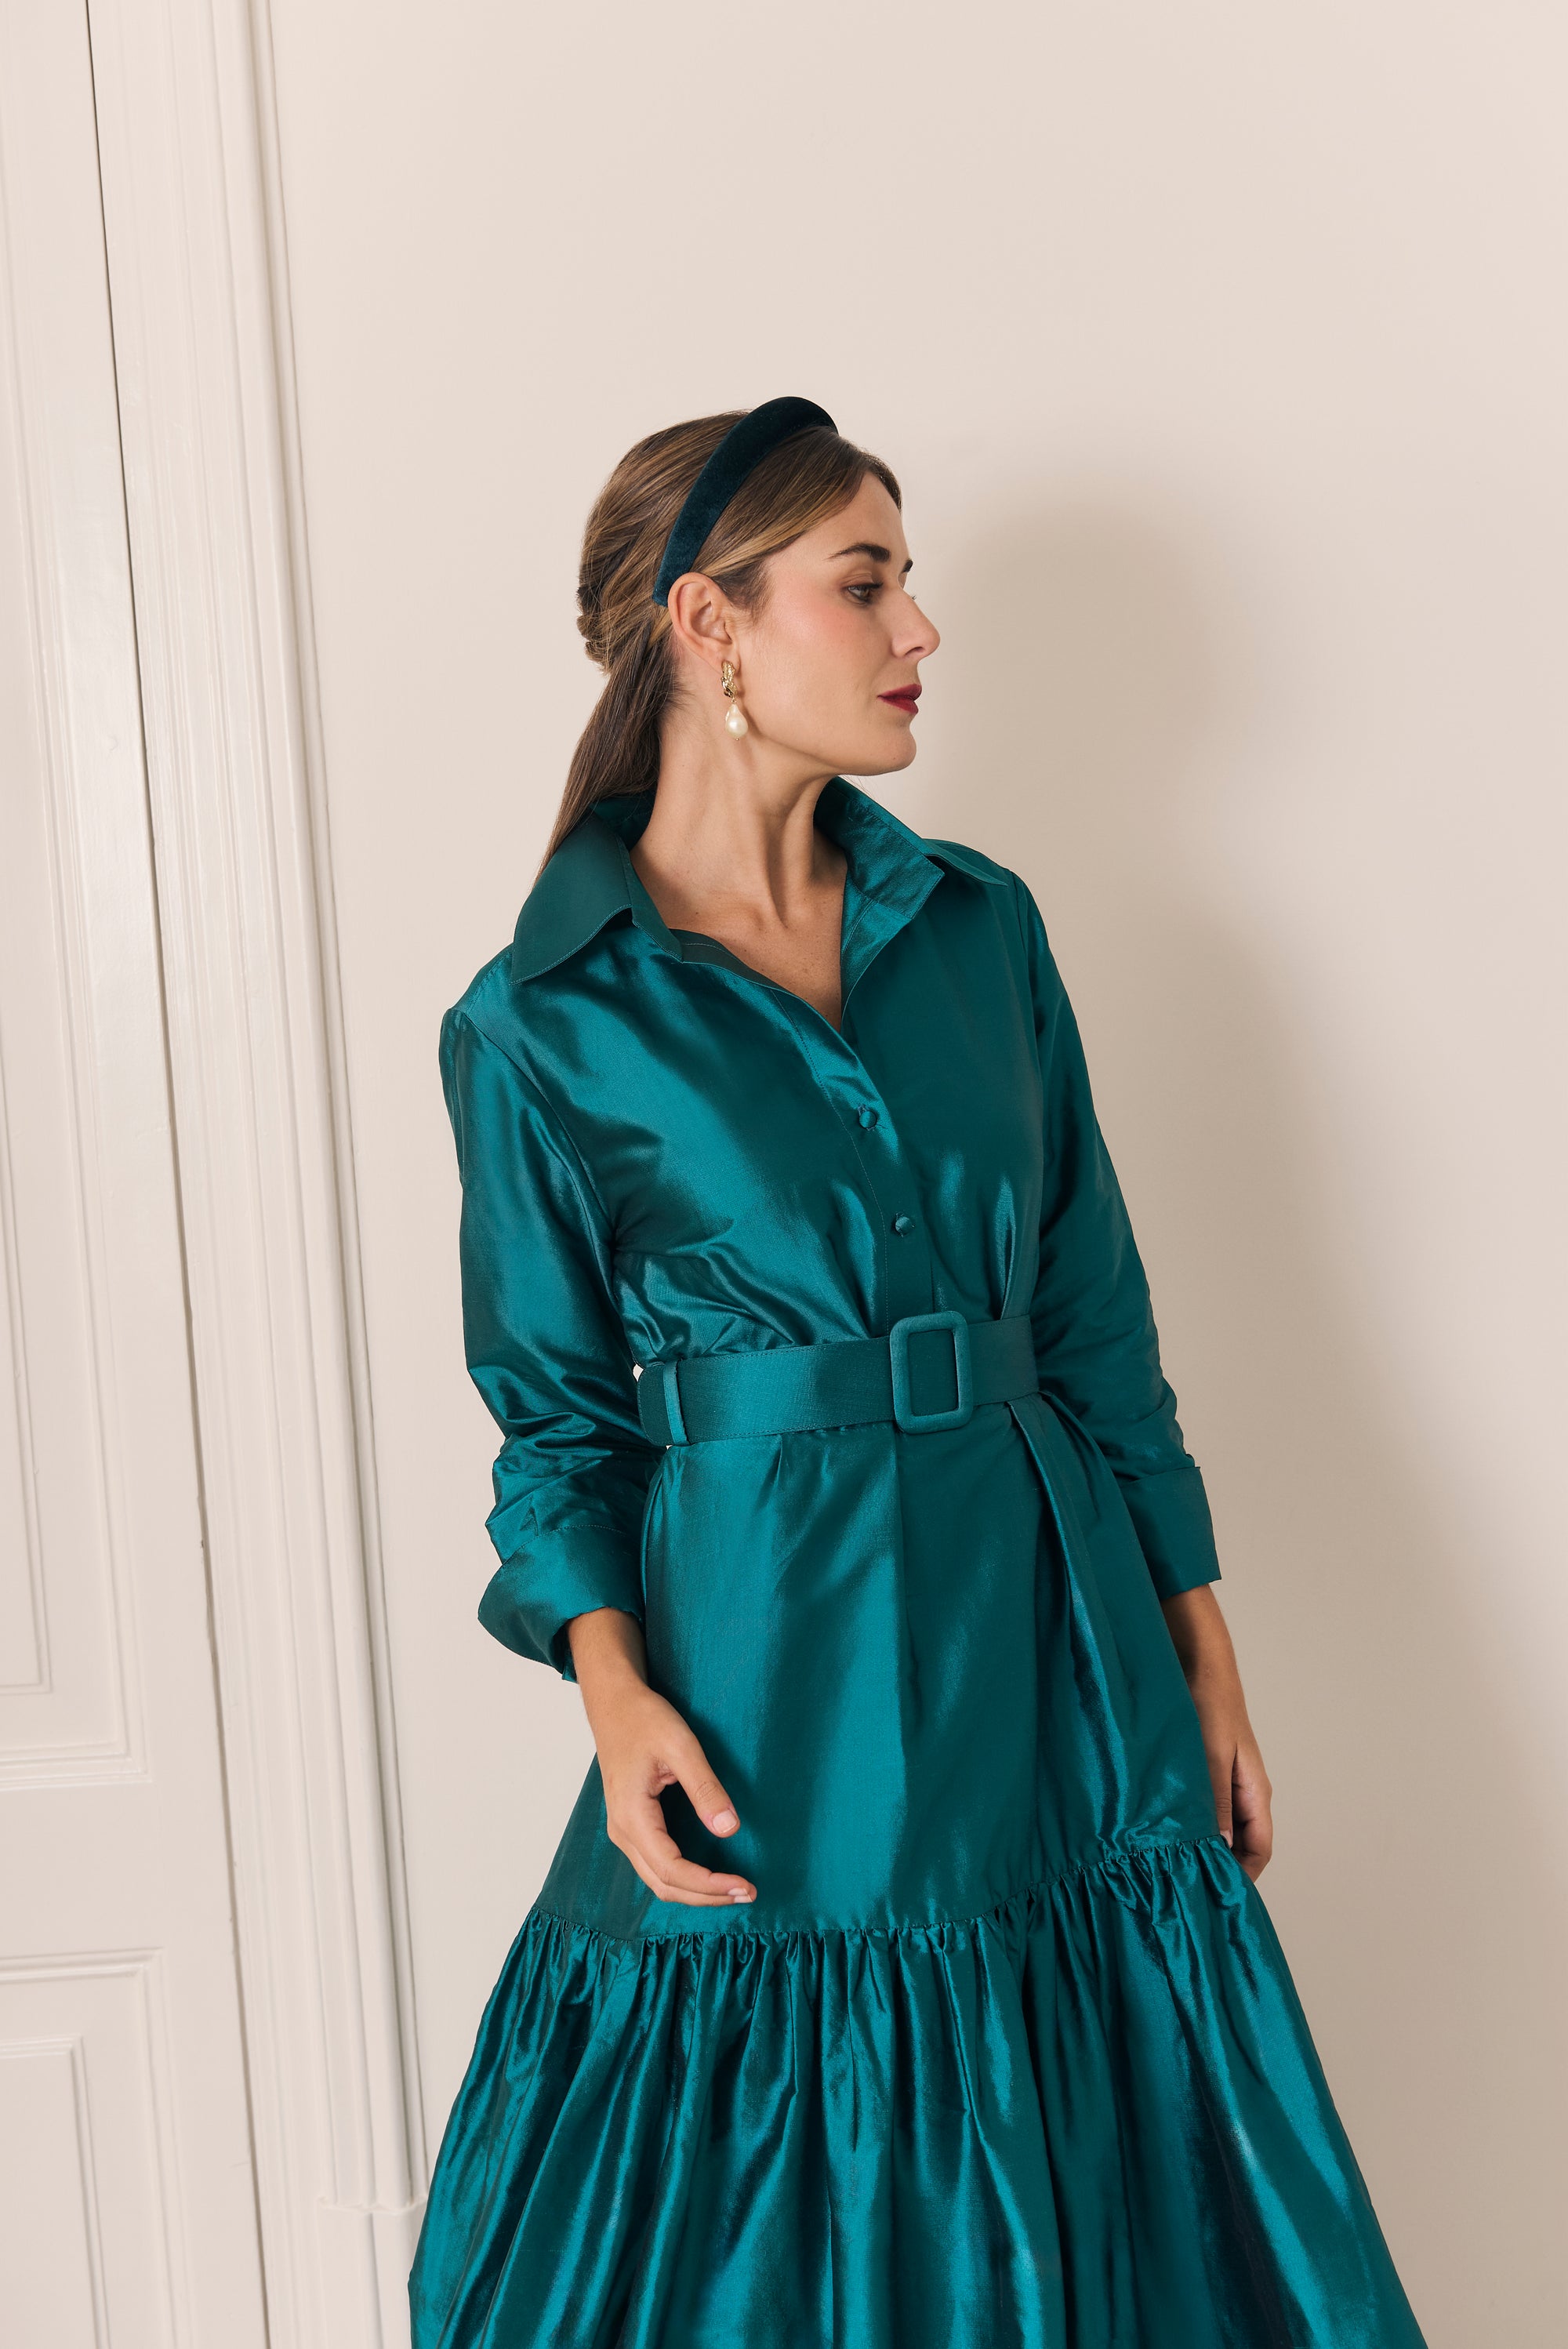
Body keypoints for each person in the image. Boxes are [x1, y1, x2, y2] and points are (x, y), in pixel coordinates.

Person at [409, 399, 1428, 2347]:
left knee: (1105, 2099)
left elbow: (1096, 1316)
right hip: (773, 1651)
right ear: (709, 623)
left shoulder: (980, 929)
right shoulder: (543, 1022)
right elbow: (556, 1425)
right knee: (790, 2121)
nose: (918, 631)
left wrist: (1199, 1638)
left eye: (908, 579)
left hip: (1051, 1633)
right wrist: (613, 1697)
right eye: (864, 582)